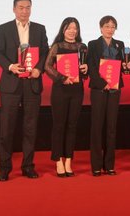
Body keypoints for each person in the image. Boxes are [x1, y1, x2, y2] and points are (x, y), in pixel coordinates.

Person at [0, 0, 48, 181]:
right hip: (11, 83)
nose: (25, 11)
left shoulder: (39, 29)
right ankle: (4, 168)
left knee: (30, 128)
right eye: (21, 7)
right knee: (6, 129)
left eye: (28, 7)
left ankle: (28, 166)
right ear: (14, 9)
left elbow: (46, 52)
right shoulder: (4, 28)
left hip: (32, 83)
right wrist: (10, 66)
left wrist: (39, 69)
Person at [44, 17, 88, 177]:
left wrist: (86, 69)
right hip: (60, 90)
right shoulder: (57, 46)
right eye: (69, 28)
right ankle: (58, 160)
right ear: (63, 30)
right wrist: (62, 78)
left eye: (75, 28)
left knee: (72, 126)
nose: (72, 31)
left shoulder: (82, 47)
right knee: (59, 125)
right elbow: (47, 66)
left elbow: (86, 70)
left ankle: (68, 159)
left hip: (77, 90)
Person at [87, 15, 130, 176]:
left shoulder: (120, 44)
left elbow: (122, 65)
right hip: (99, 90)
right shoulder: (93, 44)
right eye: (107, 26)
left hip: (114, 89)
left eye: (113, 26)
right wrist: (101, 83)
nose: (110, 29)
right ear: (100, 28)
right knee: (97, 127)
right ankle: (96, 165)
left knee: (111, 127)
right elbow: (91, 66)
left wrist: (127, 66)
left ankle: (109, 165)